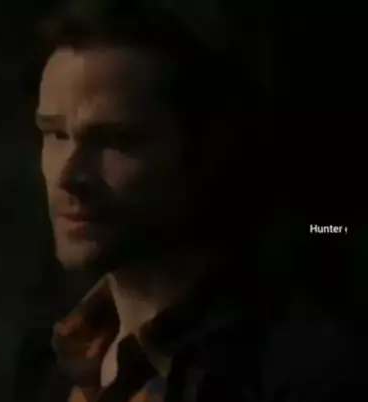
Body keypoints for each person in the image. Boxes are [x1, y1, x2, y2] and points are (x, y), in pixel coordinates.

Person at [18, 1, 360, 401]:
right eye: (56, 135)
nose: (67, 176)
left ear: (208, 150)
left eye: (114, 141)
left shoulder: (304, 375)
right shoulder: (52, 360)